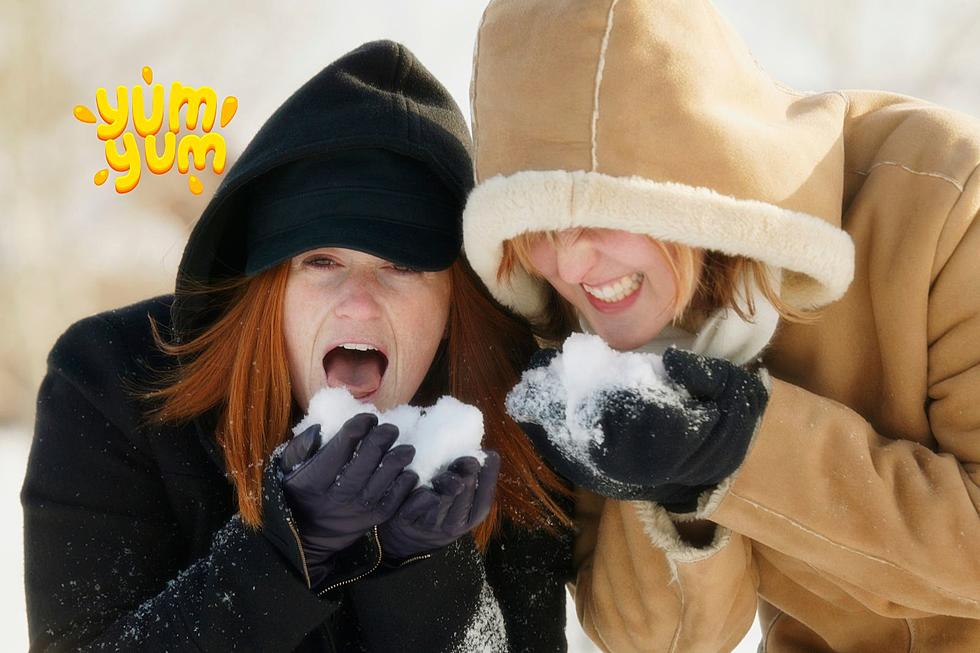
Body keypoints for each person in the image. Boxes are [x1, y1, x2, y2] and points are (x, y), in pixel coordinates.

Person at [22, 40, 573, 652]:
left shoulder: (505, 416)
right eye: (321, 260)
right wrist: (286, 556)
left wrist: (420, 574)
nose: (358, 303)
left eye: (402, 265)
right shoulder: (113, 382)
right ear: (269, 285)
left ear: (455, 300)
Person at [462, 1, 980, 651]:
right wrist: (676, 489)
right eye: (535, 226)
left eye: (602, 209)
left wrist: (740, 447)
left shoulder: (946, 200)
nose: (568, 262)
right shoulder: (585, 318)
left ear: (687, 178)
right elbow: (660, 640)